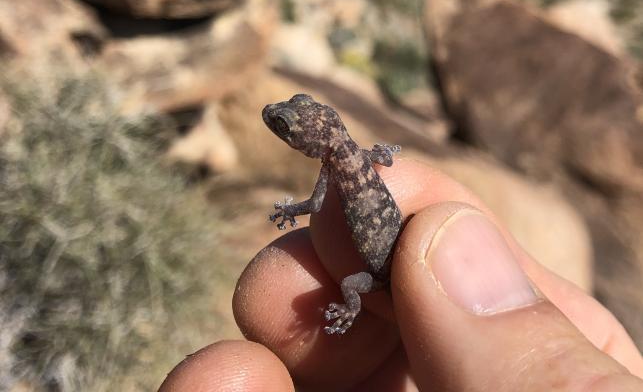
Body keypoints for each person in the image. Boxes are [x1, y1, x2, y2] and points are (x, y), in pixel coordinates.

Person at [158, 159, 643, 391]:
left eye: (285, 122)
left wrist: (294, 210)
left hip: (384, 276)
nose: (278, 122)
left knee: (350, 287)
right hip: (397, 260)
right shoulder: (355, 157)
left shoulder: (335, 170)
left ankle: (352, 310)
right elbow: (347, 188)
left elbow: (316, 206)